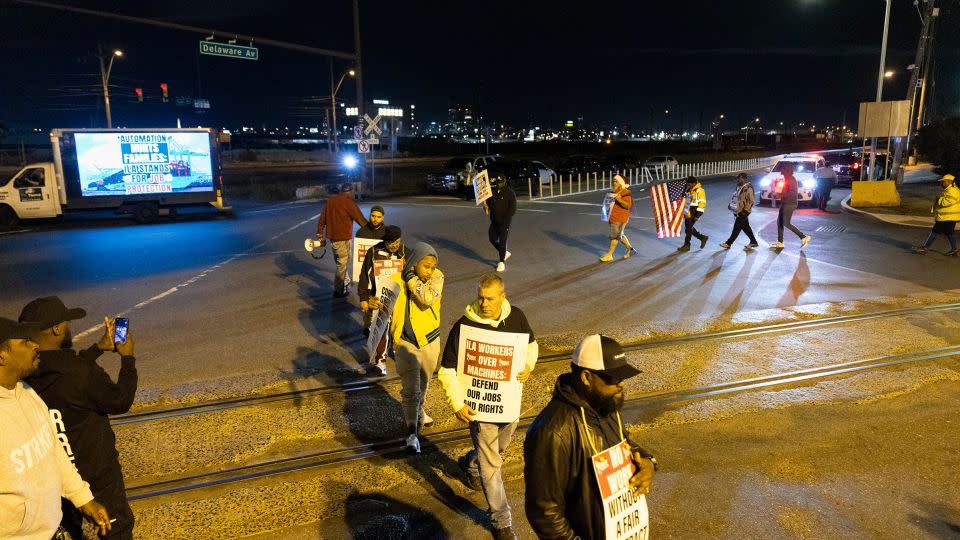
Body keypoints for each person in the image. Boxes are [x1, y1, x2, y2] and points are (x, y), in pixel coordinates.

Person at [19, 297, 137, 540]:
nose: (69, 328)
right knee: (116, 531)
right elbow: (120, 400)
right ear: (56, 329)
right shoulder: (81, 374)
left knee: (70, 531)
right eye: (66, 323)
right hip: (98, 476)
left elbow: (65, 370)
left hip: (58, 480)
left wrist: (96, 349)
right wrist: (128, 359)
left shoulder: (24, 374)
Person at [523, 334, 656, 539]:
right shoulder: (552, 432)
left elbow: (625, 441)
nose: (621, 384)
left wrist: (647, 461)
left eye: (623, 376)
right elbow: (544, 513)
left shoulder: (605, 403)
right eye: (613, 378)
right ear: (586, 377)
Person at [437, 274, 538, 540]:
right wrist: (457, 403)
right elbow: (446, 370)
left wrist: (528, 366)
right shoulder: (464, 326)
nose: (484, 303)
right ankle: (501, 522)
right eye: (481, 297)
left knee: (496, 451)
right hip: (479, 410)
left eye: (490, 298)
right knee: (492, 464)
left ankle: (470, 465)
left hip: (508, 406)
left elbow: (531, 346)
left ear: (502, 297)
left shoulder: (516, 317)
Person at [0, 317, 113, 539]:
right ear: (2, 355)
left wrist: (83, 498)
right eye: (24, 342)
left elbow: (53, 450)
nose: (35, 345)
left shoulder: (27, 392)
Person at [387, 242, 443, 453]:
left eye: (432, 266)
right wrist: (373, 302)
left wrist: (411, 278)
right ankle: (412, 433)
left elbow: (426, 299)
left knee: (425, 383)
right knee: (411, 390)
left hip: (430, 340)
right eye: (426, 266)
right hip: (404, 342)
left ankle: (419, 411)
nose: (430, 271)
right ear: (414, 262)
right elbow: (384, 308)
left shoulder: (438, 277)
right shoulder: (394, 280)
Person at [358, 225, 407, 376]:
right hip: (380, 299)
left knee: (400, 328)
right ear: (384, 241)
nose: (394, 245)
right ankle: (380, 361)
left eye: (397, 241)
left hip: (400, 299)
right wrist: (364, 298)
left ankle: (398, 352)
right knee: (381, 329)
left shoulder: (405, 252)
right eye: (391, 242)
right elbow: (364, 276)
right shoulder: (373, 252)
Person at [316, 182, 368, 297]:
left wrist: (319, 234)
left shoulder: (330, 201)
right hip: (344, 239)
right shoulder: (348, 202)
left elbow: (322, 219)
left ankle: (346, 281)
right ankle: (338, 290)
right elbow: (360, 219)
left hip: (334, 239)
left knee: (342, 261)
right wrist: (373, 231)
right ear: (350, 192)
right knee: (342, 262)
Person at [912, 174, 960, 255]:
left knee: (934, 232)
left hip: (947, 217)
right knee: (949, 233)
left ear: (949, 182)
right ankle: (954, 250)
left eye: (943, 182)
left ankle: (925, 248)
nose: (941, 184)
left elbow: (947, 202)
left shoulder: (952, 191)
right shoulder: (950, 189)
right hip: (949, 216)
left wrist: (939, 199)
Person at [770, 162, 811, 250]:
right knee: (779, 222)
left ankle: (803, 237)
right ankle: (780, 242)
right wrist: (780, 194)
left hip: (789, 204)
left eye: (783, 168)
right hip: (785, 203)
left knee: (786, 223)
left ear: (787, 170)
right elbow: (787, 192)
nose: (781, 170)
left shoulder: (791, 179)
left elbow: (791, 194)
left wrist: (779, 195)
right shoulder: (787, 178)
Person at [600, 174, 638, 261]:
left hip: (619, 218)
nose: (614, 183)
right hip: (614, 217)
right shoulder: (615, 192)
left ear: (621, 183)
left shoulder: (625, 193)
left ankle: (609, 255)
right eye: (613, 181)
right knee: (620, 235)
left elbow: (628, 205)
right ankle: (630, 250)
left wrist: (620, 200)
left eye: (616, 181)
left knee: (614, 236)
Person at [485, 174, 517, 272]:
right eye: (498, 183)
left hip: (505, 222)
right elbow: (489, 204)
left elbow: (513, 209)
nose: (499, 185)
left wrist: (506, 219)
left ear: (504, 182)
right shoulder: (493, 191)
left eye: (501, 183)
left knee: (503, 241)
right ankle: (504, 252)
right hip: (494, 221)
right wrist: (486, 206)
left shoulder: (510, 193)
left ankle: (501, 262)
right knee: (492, 238)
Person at [720, 172, 759, 250]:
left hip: (743, 212)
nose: (738, 180)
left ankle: (728, 243)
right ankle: (753, 242)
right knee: (746, 227)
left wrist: (745, 211)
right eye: (737, 178)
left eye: (739, 178)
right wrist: (731, 205)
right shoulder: (739, 187)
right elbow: (736, 198)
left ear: (744, 179)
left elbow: (751, 201)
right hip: (738, 211)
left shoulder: (748, 188)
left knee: (737, 227)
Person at [678, 176, 708, 251]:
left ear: (694, 183)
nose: (688, 185)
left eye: (689, 184)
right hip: (688, 210)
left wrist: (698, 215)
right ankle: (702, 237)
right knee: (689, 228)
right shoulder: (689, 190)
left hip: (694, 211)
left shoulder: (700, 190)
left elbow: (702, 203)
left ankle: (687, 245)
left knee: (688, 229)